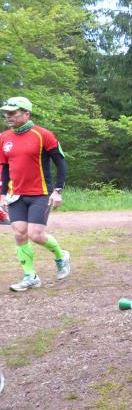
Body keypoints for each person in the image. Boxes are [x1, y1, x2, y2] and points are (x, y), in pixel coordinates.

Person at [0, 97, 71, 291]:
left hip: (41, 193)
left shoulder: (43, 135)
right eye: (6, 113)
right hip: (16, 195)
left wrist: (58, 191)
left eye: (13, 113)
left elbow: (61, 164)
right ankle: (30, 276)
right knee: (19, 233)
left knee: (36, 235)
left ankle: (61, 256)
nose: (8, 116)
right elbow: (4, 168)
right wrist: (2, 193)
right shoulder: (4, 137)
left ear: (26, 114)